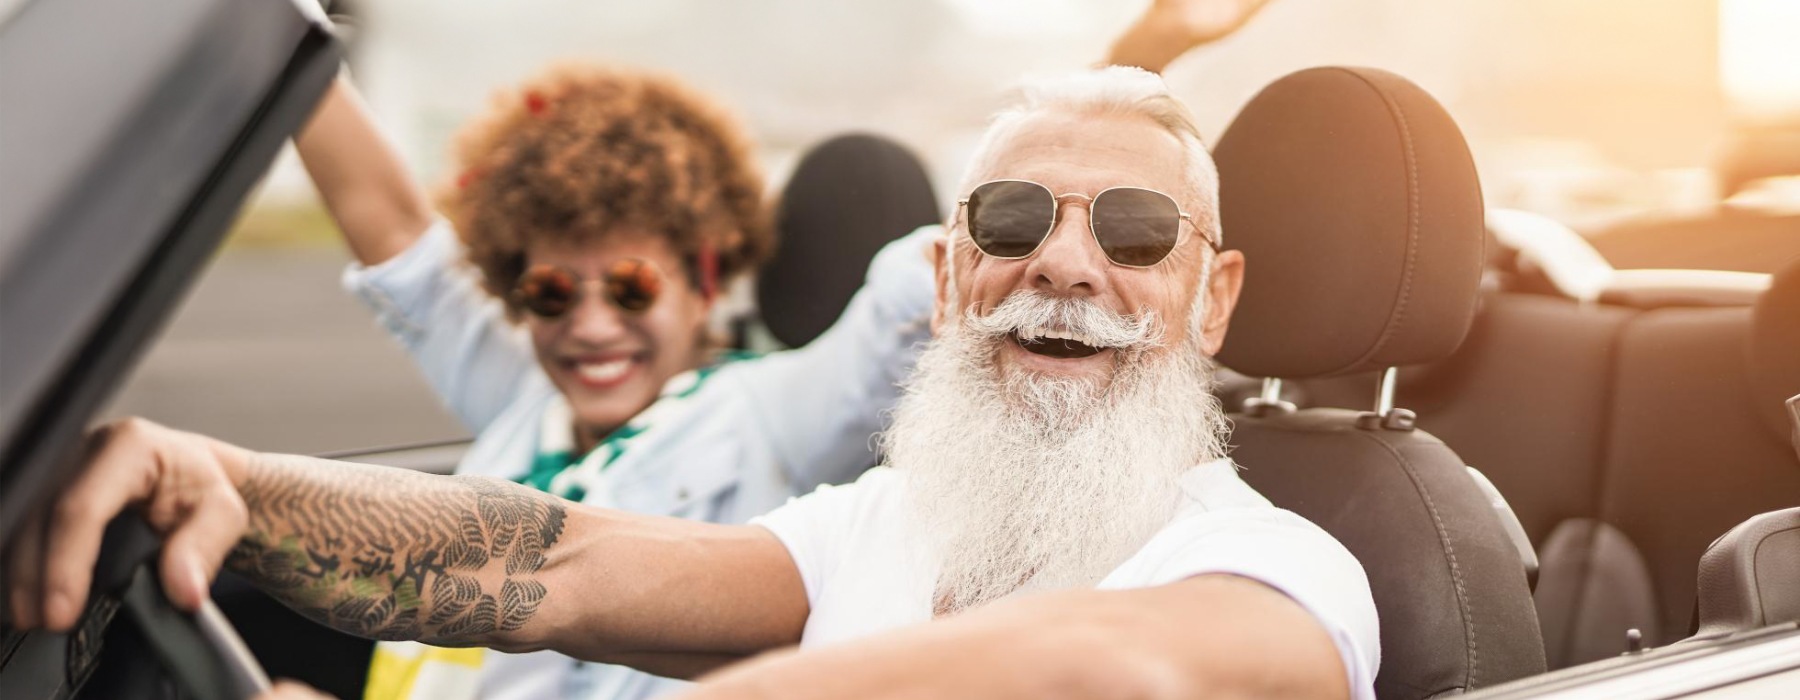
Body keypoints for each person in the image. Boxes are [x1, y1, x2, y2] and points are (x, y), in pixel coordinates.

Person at [8, 65, 1378, 699]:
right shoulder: (878, 526)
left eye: (1136, 232)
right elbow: (565, 563)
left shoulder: (1285, 568)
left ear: (1215, 296)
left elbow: (1111, 670)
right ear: (952, 278)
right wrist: (229, 483)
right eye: (1015, 222)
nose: (1067, 266)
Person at [290, 61, 939, 699]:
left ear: (703, 282)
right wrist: (282, 42)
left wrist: (1014, 214)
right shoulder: (524, 402)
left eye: (632, 288)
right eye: (551, 292)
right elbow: (395, 232)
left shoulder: (768, 413)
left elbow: (902, 310)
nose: (592, 328)